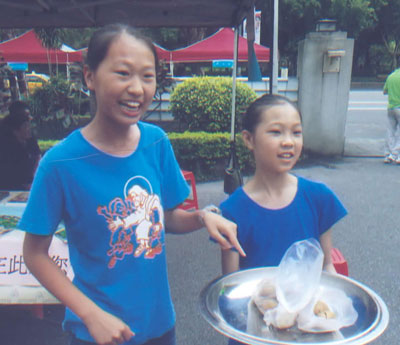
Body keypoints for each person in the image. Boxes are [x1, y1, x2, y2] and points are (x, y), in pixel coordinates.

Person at [19, 24, 244, 345]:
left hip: (159, 325)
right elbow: (35, 254)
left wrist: (202, 216)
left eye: (147, 76)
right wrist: (89, 313)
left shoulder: (156, 142)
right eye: (123, 73)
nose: (137, 89)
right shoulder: (59, 163)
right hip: (96, 332)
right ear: (89, 77)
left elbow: (161, 219)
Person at [218, 94, 347, 345]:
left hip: (308, 329)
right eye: (276, 132)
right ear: (249, 139)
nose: (289, 142)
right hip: (256, 330)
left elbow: (326, 266)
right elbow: (231, 286)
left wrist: (334, 306)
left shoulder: (318, 197)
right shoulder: (232, 211)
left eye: (296, 133)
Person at [0, 100, 41, 190]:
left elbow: (37, 156)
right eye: (26, 125)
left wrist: (33, 179)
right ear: (16, 131)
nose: (30, 118)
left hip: (28, 182)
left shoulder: (30, 137)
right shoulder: (5, 142)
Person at [383, 68, 400, 164]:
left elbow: (385, 91)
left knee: (390, 131)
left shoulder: (391, 76)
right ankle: (396, 155)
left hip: (391, 107)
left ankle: (388, 154)